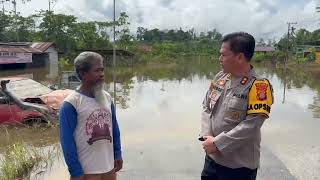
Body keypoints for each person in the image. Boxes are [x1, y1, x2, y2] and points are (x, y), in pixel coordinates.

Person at [199, 32, 273, 180]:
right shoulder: (220, 77)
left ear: (239, 57)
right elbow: (206, 106)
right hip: (212, 161)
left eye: (223, 55)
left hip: (239, 168)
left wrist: (218, 144)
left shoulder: (259, 86)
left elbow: (251, 125)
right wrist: (207, 137)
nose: (219, 59)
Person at [59, 52, 122, 180]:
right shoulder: (72, 103)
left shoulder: (107, 98)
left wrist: (117, 154)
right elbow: (67, 141)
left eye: (102, 70)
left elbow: (114, 128)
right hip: (87, 172)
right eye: (97, 71)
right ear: (82, 73)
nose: (102, 74)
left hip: (109, 168)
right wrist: (76, 171)